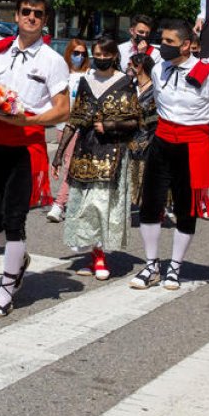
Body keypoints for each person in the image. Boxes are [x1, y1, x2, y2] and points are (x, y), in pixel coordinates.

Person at [0, 0, 70, 317]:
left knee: (15, 219)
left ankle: (6, 287)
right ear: (16, 15)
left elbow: (63, 110)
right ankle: (20, 259)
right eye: (26, 11)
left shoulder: (53, 61)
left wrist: (28, 119)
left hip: (27, 145)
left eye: (38, 14)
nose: (31, 17)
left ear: (45, 21)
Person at [130, 20, 209, 291]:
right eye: (163, 41)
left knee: (185, 208)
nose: (164, 46)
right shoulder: (159, 69)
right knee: (151, 203)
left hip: (193, 144)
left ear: (185, 45)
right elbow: (158, 103)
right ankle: (151, 265)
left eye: (170, 42)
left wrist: (207, 144)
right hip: (162, 142)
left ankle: (175, 267)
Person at [55, 35, 140, 280]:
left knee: (102, 206)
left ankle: (100, 255)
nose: (101, 59)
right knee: (84, 207)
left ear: (115, 56)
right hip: (85, 152)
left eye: (106, 55)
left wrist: (111, 125)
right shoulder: (85, 81)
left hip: (112, 154)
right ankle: (92, 254)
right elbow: (74, 120)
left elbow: (136, 120)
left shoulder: (125, 83)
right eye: (98, 55)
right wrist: (59, 155)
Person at [47, 38, 90, 224]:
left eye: (82, 54)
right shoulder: (61, 74)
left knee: (70, 165)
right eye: (76, 53)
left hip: (79, 126)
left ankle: (59, 204)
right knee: (66, 163)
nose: (79, 57)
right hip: (61, 125)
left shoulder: (89, 75)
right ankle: (68, 202)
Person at [126, 53, 158, 210]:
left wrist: (147, 140)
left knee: (147, 177)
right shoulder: (129, 87)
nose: (128, 67)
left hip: (148, 140)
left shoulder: (155, 90)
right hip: (128, 139)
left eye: (130, 64)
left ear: (140, 67)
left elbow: (156, 120)